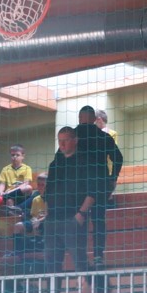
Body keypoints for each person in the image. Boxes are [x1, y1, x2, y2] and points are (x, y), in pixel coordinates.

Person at [44, 126, 104, 273]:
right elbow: (48, 191)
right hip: (52, 220)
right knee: (51, 264)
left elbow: (93, 191)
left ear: (75, 140)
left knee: (80, 261)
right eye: (60, 141)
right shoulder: (54, 165)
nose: (62, 144)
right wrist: (47, 215)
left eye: (65, 140)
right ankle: (54, 290)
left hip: (73, 218)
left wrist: (81, 214)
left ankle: (86, 287)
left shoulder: (86, 162)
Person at [71, 106, 123, 267]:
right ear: (94, 119)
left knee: (80, 219)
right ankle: (98, 256)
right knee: (98, 220)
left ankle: (81, 256)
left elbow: (61, 161)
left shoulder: (72, 137)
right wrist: (112, 178)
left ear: (79, 118)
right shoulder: (103, 137)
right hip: (100, 184)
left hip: (78, 186)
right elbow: (118, 158)